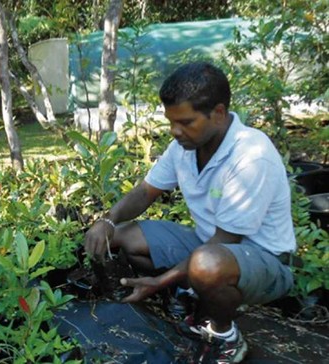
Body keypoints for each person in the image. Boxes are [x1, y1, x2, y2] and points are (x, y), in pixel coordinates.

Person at [83, 62, 296, 364]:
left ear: (218, 113)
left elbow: (227, 241)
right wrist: (106, 220)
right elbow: (145, 192)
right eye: (171, 121)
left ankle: (224, 334)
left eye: (185, 122)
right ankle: (195, 295)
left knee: (206, 265)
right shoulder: (184, 147)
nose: (175, 131)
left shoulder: (251, 157)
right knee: (125, 236)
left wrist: (161, 281)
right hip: (208, 245)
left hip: (263, 261)